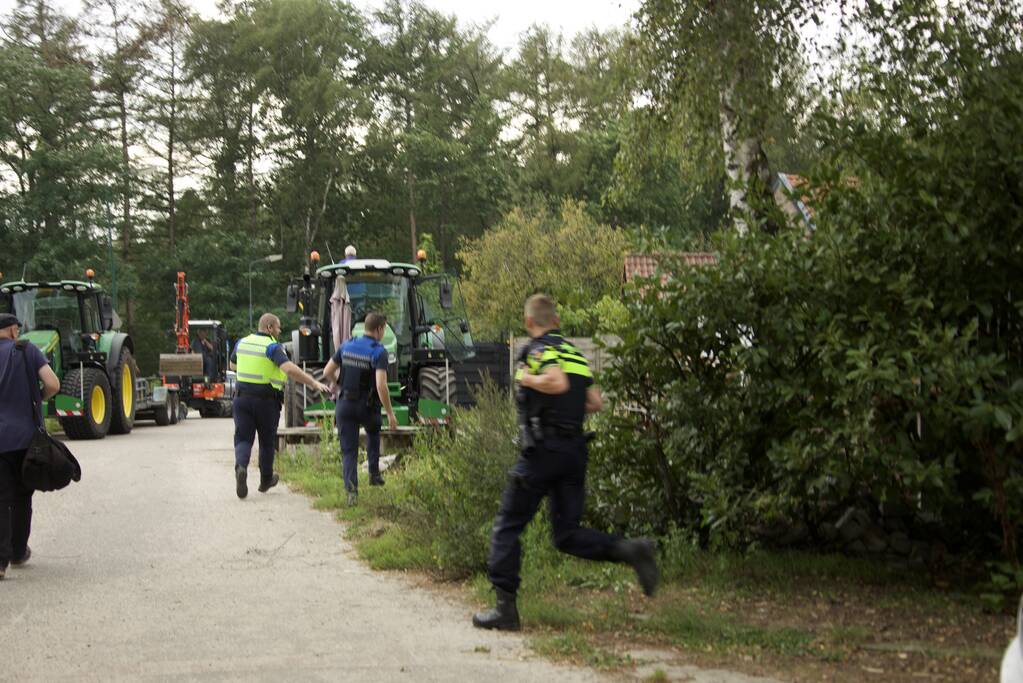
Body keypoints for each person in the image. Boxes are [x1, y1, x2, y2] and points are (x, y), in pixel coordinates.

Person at [472, 294, 659, 631]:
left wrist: (528, 379)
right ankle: (631, 550)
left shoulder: (538, 349)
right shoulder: (575, 353)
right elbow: (595, 402)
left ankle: (505, 609)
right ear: (556, 320)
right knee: (566, 534)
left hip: (543, 452)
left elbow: (555, 382)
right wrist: (565, 411)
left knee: (507, 524)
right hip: (574, 451)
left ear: (530, 323)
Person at [229, 313, 328, 499]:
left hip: (242, 399)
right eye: (278, 327)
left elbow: (233, 365)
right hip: (266, 401)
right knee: (267, 441)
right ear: (269, 328)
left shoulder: (242, 343)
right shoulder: (273, 347)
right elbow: (289, 369)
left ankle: (241, 467)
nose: (279, 330)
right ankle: (266, 479)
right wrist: (313, 383)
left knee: (243, 438)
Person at [0, 313, 60, 580]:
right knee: (22, 495)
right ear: (13, 331)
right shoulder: (27, 350)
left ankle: (0, 564)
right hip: (25, 438)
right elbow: (52, 384)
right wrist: (38, 398)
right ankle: (17, 551)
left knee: (1, 498)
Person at [322, 311, 397, 505]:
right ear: (379, 329)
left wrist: (339, 383)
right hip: (367, 405)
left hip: (345, 404)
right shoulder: (379, 351)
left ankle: (352, 493)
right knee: (373, 431)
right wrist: (389, 413)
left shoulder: (347, 345)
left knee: (349, 451)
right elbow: (381, 386)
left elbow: (327, 371)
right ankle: (374, 474)